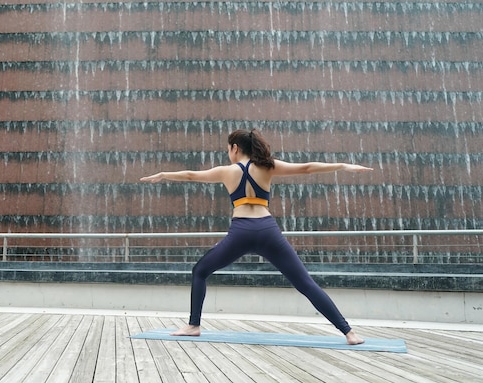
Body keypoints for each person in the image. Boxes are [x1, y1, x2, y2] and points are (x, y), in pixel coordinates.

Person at [140, 128, 372, 345]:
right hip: (267, 230)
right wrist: (342, 166)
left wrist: (163, 174)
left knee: (200, 271)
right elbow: (307, 168)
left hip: (240, 232)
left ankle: (193, 325)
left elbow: (191, 175)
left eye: (228, 149)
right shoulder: (268, 166)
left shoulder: (227, 171)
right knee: (305, 283)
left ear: (235, 148)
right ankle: (349, 333)